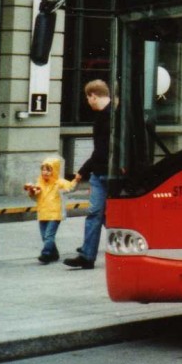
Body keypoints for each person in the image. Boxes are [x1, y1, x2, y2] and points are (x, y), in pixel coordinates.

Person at [64, 79, 110, 270]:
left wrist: (82, 171)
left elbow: (102, 151)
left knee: (101, 215)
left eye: (87, 97)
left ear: (93, 95)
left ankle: (88, 253)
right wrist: (84, 172)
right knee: (96, 214)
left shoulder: (111, 117)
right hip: (99, 174)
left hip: (107, 174)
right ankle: (87, 254)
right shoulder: (103, 116)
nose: (87, 101)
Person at [25, 155, 77, 264]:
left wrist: (76, 180)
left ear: (55, 170)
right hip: (43, 213)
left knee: (49, 236)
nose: (45, 172)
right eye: (43, 169)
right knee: (45, 237)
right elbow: (35, 198)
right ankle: (54, 253)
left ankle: (46, 254)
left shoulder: (59, 182)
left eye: (48, 170)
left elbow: (70, 186)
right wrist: (31, 192)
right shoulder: (39, 183)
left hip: (54, 214)